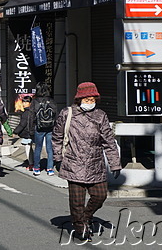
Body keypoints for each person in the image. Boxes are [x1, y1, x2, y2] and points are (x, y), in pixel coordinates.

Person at [52, 82, 121, 242]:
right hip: (73, 163)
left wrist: (115, 163)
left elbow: (109, 141)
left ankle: (85, 217)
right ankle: (80, 228)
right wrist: (57, 157)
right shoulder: (67, 113)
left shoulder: (100, 115)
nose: (90, 102)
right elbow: (57, 137)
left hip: (95, 163)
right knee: (77, 202)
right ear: (79, 99)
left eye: (93, 99)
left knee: (100, 196)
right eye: (87, 99)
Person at [30, 83, 57, 176]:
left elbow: (31, 116)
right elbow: (55, 115)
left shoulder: (35, 101)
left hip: (39, 127)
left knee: (38, 148)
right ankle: (50, 168)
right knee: (50, 149)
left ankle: (36, 168)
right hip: (50, 127)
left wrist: (30, 130)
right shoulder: (51, 101)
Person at [12, 94, 35, 171]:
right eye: (23, 102)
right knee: (34, 148)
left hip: (27, 133)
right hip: (34, 132)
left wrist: (15, 132)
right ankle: (34, 163)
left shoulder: (26, 113)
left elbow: (22, 124)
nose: (24, 103)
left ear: (30, 103)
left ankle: (31, 164)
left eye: (26, 102)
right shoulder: (33, 111)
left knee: (28, 148)